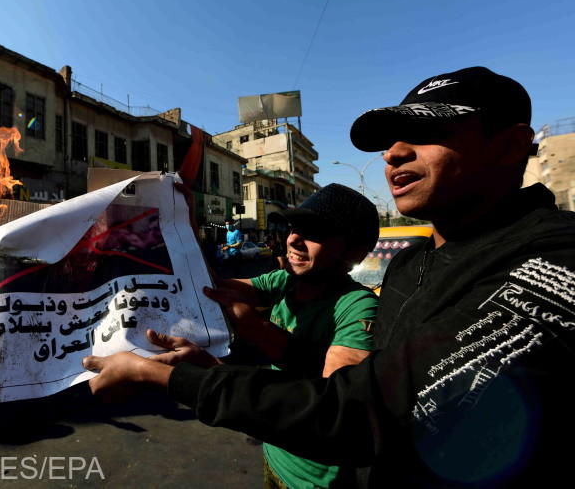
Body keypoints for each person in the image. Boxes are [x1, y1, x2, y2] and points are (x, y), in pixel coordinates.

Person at [82, 66, 575, 487]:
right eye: (388, 141)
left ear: (511, 145)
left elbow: (359, 409)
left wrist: (166, 376)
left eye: (427, 133)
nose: (393, 153)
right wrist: (177, 227)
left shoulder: (554, 263)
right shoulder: (411, 263)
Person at [210, 183, 379, 488]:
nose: (294, 239)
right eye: (294, 227)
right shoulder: (284, 280)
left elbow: (337, 405)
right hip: (275, 457)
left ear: (354, 251)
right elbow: (214, 286)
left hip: (313, 480)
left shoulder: (358, 306)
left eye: (314, 232)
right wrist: (175, 225)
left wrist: (262, 333)